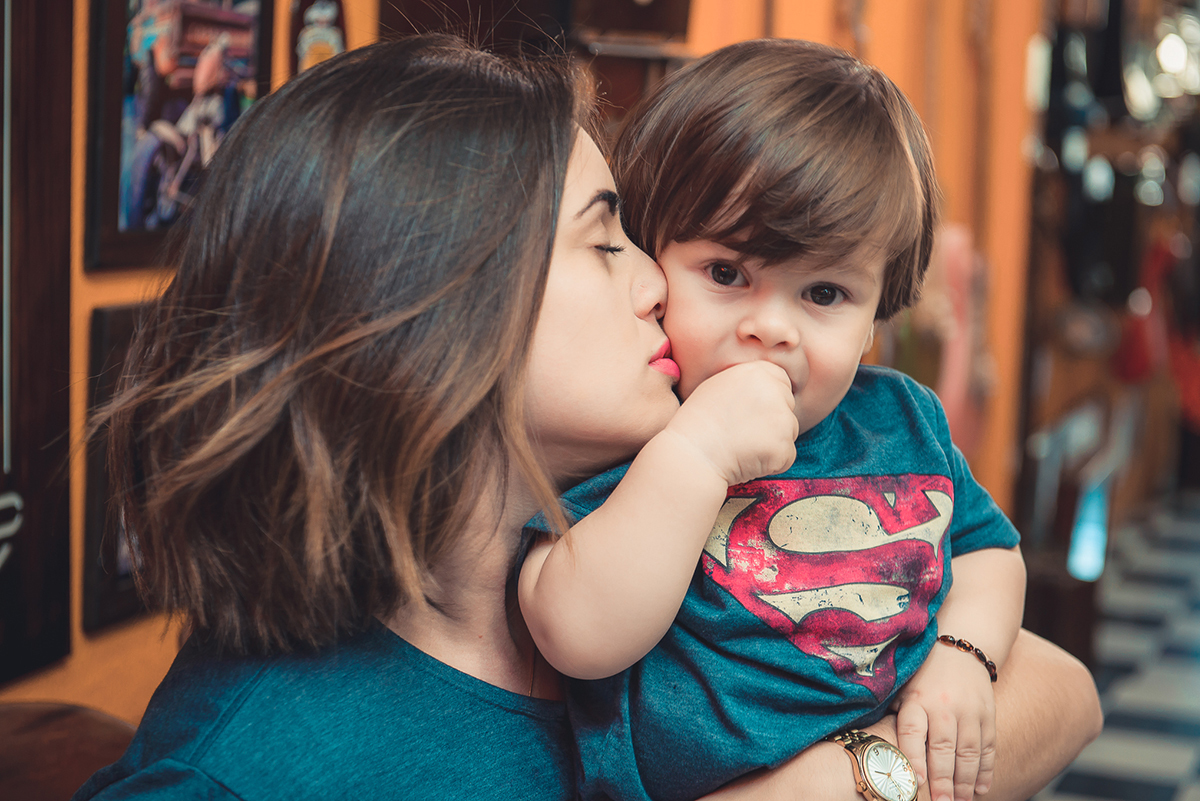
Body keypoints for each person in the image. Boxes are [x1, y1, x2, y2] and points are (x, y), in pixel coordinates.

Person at [74, 34, 1100, 801]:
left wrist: (845, 781)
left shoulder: (688, 515)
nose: (659, 285)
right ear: (434, 305)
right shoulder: (239, 770)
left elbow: (1059, 689)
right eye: (608, 242)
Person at [518, 39, 1026, 801]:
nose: (772, 328)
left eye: (824, 293)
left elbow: (990, 551)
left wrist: (962, 652)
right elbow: (575, 632)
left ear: (875, 313)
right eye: (727, 273)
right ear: (653, 260)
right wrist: (697, 452)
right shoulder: (640, 431)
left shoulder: (901, 419)